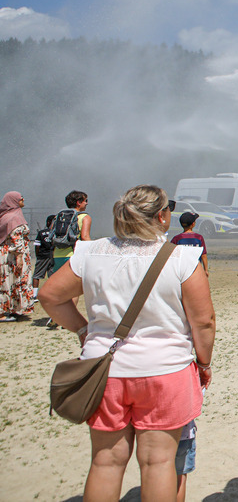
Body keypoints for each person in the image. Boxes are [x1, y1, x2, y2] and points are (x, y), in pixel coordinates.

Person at [39, 184, 215, 501]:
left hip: (104, 371)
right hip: (165, 371)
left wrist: (83, 330)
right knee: (158, 463)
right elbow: (203, 322)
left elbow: (50, 296)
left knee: (105, 462)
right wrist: (203, 363)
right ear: (161, 217)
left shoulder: (91, 253)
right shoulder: (182, 258)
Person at [48, 190, 91, 329]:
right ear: (79, 202)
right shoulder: (84, 217)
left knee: (61, 288)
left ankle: (56, 315)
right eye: (85, 200)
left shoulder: (58, 216)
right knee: (74, 289)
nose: (87, 203)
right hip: (73, 254)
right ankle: (67, 319)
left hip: (57, 255)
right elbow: (85, 237)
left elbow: (52, 234)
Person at [1, 191, 34, 321]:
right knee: (10, 281)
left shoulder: (6, 216)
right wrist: (19, 257)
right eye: (20, 198)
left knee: (13, 281)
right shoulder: (14, 218)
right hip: (13, 255)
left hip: (9, 254)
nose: (23, 200)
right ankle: (3, 312)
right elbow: (16, 238)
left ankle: (14, 308)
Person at [32, 214, 57, 301]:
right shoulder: (56, 233)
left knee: (37, 275)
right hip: (53, 256)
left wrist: (38, 255)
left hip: (42, 256)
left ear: (48, 222)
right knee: (53, 276)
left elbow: (37, 246)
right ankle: (52, 294)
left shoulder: (41, 233)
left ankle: (34, 295)